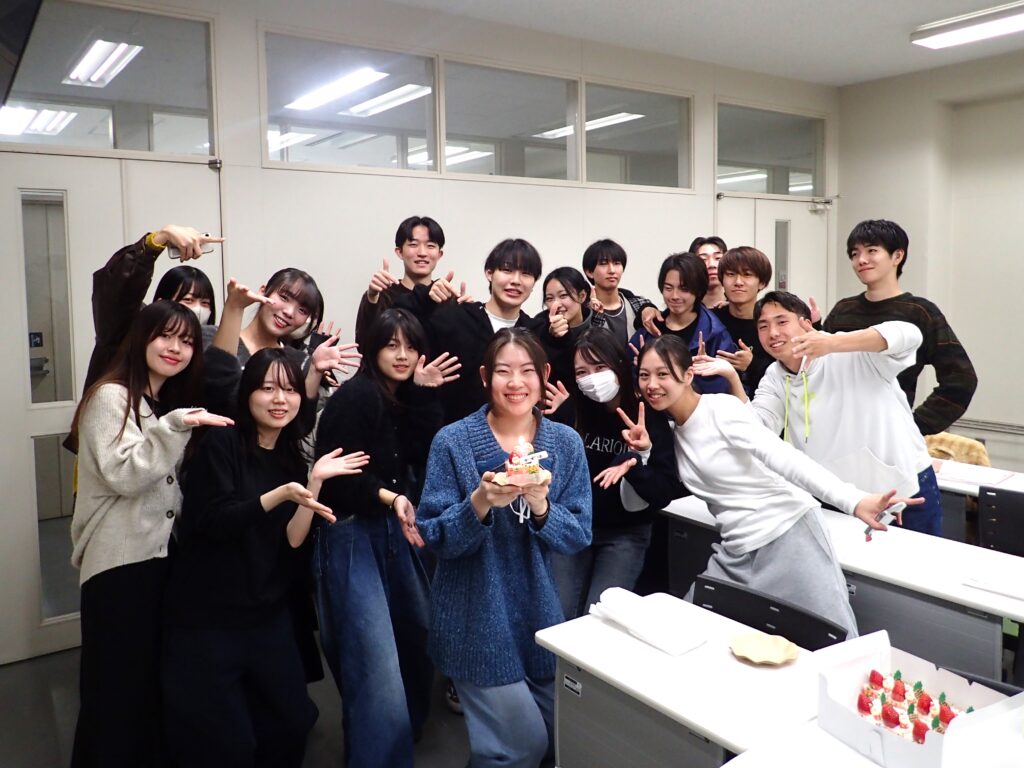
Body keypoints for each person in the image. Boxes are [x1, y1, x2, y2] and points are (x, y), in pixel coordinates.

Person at [634, 335, 921, 637]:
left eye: (663, 374)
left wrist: (854, 500)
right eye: (644, 375)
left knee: (834, 639)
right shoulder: (670, 434)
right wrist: (642, 454)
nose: (652, 384)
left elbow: (784, 458)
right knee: (693, 630)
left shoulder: (720, 410)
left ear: (688, 374)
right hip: (736, 551)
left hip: (789, 536)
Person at [162, 348, 368, 768]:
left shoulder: (290, 457)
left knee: (292, 724)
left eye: (290, 390)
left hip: (266, 614)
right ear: (247, 393)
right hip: (208, 617)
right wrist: (280, 495)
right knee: (228, 745)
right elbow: (215, 521)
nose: (280, 399)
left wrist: (313, 483)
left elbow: (292, 541)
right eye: (268, 388)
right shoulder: (221, 442)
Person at [416, 328, 592, 768]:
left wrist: (541, 506)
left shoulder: (565, 444)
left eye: (527, 371)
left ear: (544, 375)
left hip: (539, 614)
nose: (516, 383)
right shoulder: (453, 441)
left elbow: (578, 534)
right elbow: (434, 534)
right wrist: (479, 502)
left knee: (560, 739)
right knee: (517, 747)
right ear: (484, 377)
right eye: (503, 372)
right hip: (474, 617)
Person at [68, 301, 233, 768]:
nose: (175, 348)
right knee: (113, 692)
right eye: (166, 336)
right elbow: (125, 474)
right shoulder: (111, 397)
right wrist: (175, 426)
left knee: (148, 686)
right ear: (142, 338)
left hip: (158, 559)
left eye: (187, 341)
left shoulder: (160, 402)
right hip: (118, 565)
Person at [313, 309, 459, 768]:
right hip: (352, 530)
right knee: (373, 657)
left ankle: (403, 734)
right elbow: (338, 481)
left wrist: (425, 393)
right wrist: (389, 496)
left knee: (417, 632)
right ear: (373, 349)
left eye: (411, 346)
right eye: (392, 345)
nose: (402, 355)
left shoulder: (400, 395)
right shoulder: (357, 396)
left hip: (393, 525)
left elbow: (422, 451)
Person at [700, 291, 943, 536]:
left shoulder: (849, 352)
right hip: (841, 497)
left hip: (904, 487)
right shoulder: (774, 376)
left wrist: (831, 343)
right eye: (763, 326)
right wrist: (732, 378)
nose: (772, 333)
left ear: (806, 324)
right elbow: (758, 430)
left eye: (782, 322)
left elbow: (910, 334)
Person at [549, 328, 685, 619]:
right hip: (575, 527)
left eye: (600, 367)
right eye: (582, 372)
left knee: (599, 617)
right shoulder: (572, 411)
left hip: (624, 535)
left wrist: (638, 460)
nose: (592, 378)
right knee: (558, 614)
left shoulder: (647, 416)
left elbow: (664, 491)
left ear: (620, 365)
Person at [823, 219, 977, 435]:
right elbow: (822, 369)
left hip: (890, 436)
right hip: (839, 430)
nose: (861, 260)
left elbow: (961, 379)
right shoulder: (843, 310)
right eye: (854, 254)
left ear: (897, 256)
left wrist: (914, 426)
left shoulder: (920, 312)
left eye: (871, 251)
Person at [396, 238, 569, 425]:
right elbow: (395, 320)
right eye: (507, 270)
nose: (516, 281)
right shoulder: (455, 319)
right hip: (457, 434)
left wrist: (559, 339)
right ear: (489, 273)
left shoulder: (538, 333)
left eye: (526, 274)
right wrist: (425, 297)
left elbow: (556, 390)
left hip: (519, 438)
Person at [203, 268, 359, 420]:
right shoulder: (210, 337)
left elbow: (300, 425)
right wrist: (234, 307)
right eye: (284, 298)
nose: (289, 312)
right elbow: (216, 391)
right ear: (263, 291)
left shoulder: (299, 362)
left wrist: (315, 371)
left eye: (302, 310)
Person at [628, 253, 736, 393]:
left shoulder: (715, 334)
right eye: (668, 288)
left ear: (698, 290)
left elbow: (725, 389)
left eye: (684, 289)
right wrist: (640, 371)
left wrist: (700, 374)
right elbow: (627, 384)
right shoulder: (648, 331)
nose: (675, 296)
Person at [355, 215, 446, 348]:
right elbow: (364, 345)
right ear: (399, 252)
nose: (422, 252)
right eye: (413, 244)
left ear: (439, 254)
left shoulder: (445, 296)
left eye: (430, 246)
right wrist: (372, 297)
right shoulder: (382, 295)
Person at [711, 246, 775, 397]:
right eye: (731, 274)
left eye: (747, 275)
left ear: (762, 283)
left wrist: (752, 364)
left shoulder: (772, 324)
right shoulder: (711, 320)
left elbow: (788, 371)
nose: (738, 282)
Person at [581, 239, 659, 343]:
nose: (612, 270)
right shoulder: (583, 312)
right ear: (589, 272)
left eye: (617, 263)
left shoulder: (639, 305)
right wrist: (595, 314)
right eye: (603, 264)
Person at [688, 235, 728, 308]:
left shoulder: (736, 306)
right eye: (703, 259)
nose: (712, 265)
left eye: (717, 258)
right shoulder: (685, 308)